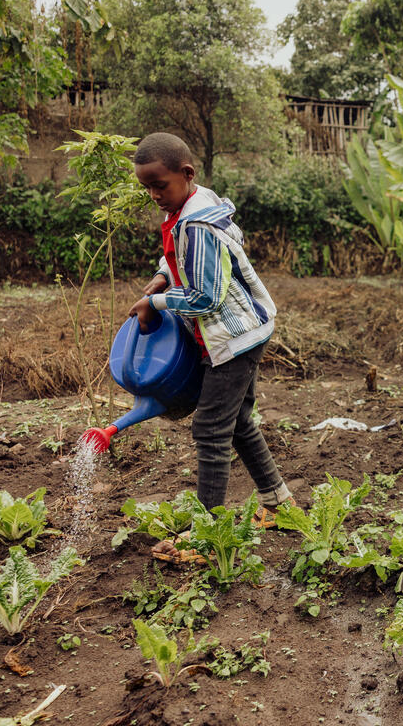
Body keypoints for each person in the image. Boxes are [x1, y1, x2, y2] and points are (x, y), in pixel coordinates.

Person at [125, 132, 295, 561]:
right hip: (241, 331)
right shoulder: (194, 203)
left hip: (234, 337)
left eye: (159, 185)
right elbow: (179, 254)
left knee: (211, 429)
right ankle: (280, 505)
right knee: (236, 421)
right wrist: (164, 274)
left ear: (186, 174)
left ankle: (208, 536)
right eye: (147, 187)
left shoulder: (195, 224)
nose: (153, 195)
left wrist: (155, 300)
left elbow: (205, 297)